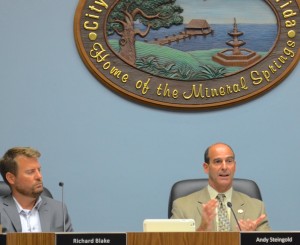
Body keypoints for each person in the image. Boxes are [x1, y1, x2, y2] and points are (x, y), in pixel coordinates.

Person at [171, 142, 270, 231]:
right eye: (218, 161)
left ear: (234, 166)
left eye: (229, 161)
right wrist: (202, 229)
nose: (224, 167)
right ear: (206, 167)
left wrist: (250, 238)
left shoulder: (256, 208)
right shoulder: (182, 207)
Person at [0, 147, 73, 232]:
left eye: (39, 170)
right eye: (31, 172)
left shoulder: (58, 210)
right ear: (11, 178)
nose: (39, 176)